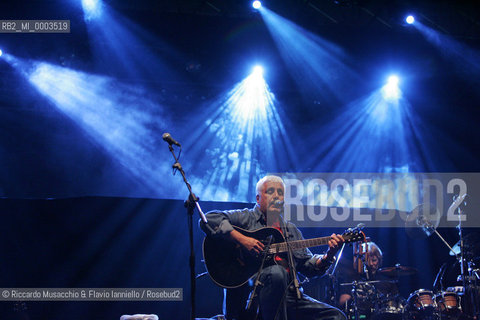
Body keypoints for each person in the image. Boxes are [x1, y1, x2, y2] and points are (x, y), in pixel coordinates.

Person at [200, 175, 347, 320]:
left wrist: (329, 254)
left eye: (280, 193)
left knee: (337, 316)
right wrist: (243, 240)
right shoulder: (245, 217)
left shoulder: (290, 230)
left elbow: (309, 267)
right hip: (250, 294)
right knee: (277, 272)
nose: (276, 196)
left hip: (288, 296)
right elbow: (209, 220)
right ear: (258, 199)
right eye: (270, 192)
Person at [338, 242, 399, 320]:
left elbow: (395, 304)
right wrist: (356, 298)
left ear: (379, 260)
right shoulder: (353, 280)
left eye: (374, 260)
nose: (370, 264)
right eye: (367, 261)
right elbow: (342, 302)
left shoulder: (387, 282)